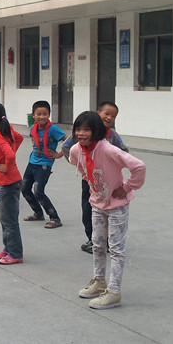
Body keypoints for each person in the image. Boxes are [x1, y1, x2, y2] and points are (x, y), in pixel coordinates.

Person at [70, 111, 146, 309]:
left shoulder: (108, 149)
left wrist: (127, 187)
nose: (81, 133)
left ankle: (113, 291)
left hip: (117, 206)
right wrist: (90, 182)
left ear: (96, 131)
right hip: (97, 204)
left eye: (87, 129)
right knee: (97, 244)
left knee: (116, 249)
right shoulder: (76, 150)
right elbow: (79, 165)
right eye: (78, 129)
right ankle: (99, 281)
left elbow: (139, 166)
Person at [62, 101, 129, 253]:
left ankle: (108, 241)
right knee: (89, 211)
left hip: (109, 183)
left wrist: (114, 166)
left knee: (111, 211)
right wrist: (80, 165)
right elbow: (66, 146)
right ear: (98, 113)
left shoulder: (112, 135)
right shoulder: (84, 133)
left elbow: (124, 150)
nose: (109, 118)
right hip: (90, 182)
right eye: (107, 113)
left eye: (113, 116)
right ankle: (93, 240)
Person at [0, 102, 25, 265]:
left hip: (7, 182)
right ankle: (7, 248)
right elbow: (19, 138)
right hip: (6, 181)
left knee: (9, 220)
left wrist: (7, 166)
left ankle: (15, 253)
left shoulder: (0, 135)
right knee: (5, 218)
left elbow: (10, 155)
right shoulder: (4, 131)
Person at [21, 100, 67, 229]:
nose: (42, 117)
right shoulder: (33, 127)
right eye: (39, 114)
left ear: (49, 115)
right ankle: (38, 213)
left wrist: (59, 155)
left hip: (45, 164)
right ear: (33, 115)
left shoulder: (53, 129)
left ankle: (55, 218)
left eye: (45, 114)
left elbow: (69, 141)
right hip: (32, 162)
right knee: (24, 189)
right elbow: (33, 139)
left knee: (38, 191)